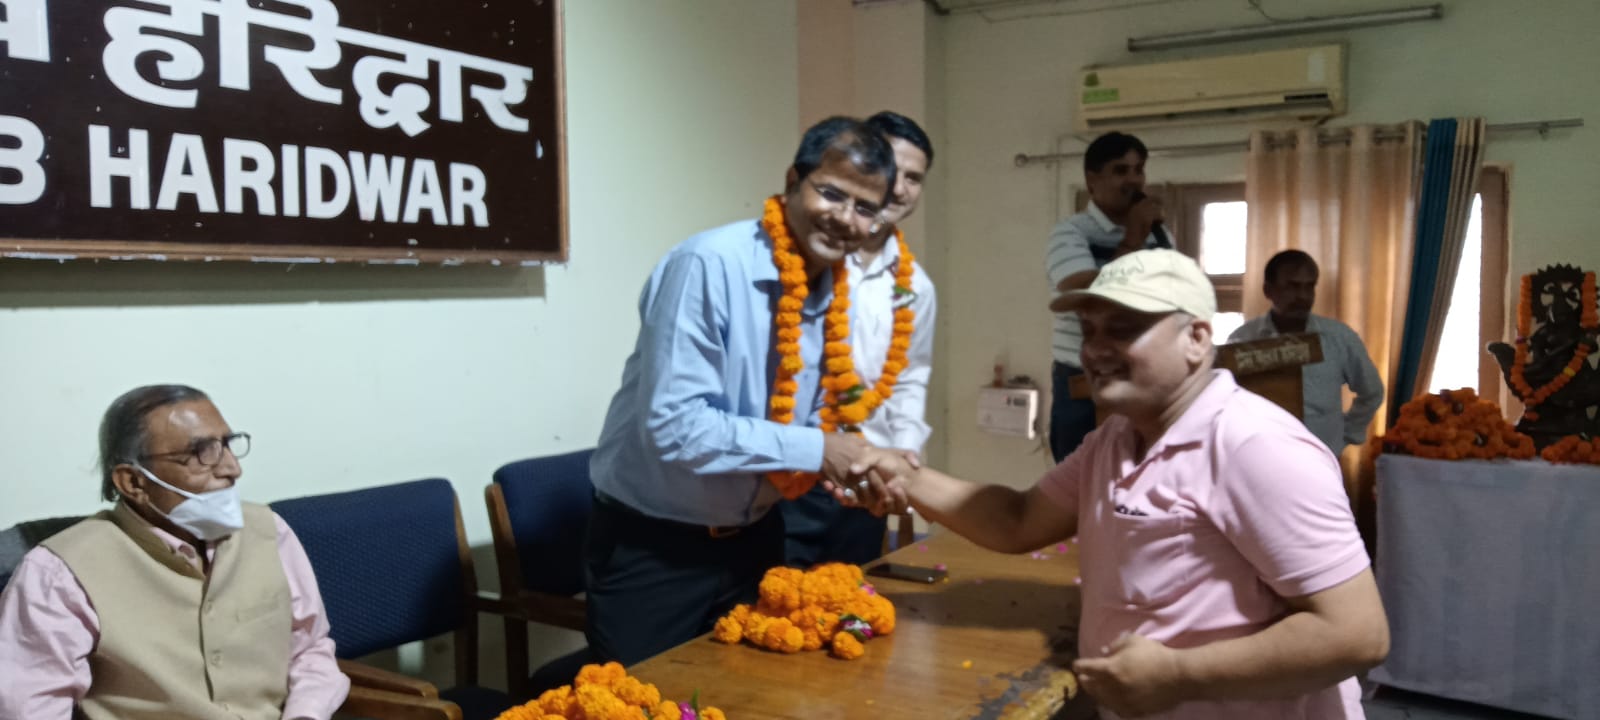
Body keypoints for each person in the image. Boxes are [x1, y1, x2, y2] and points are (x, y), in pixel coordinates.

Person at [844, 250, 1389, 719]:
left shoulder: (1255, 447)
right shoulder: (1116, 439)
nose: (1096, 349)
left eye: (1124, 329)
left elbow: (1356, 633)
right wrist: (903, 475)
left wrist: (1178, 674)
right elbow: (1018, 520)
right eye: (1090, 331)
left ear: (1197, 338)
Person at [585, 116, 900, 666]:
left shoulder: (835, 289)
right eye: (832, 193)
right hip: (656, 551)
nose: (845, 218)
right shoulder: (707, 266)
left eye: (865, 207)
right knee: (652, 699)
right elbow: (676, 427)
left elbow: (802, 420)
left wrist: (844, 470)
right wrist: (819, 450)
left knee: (758, 695)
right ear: (793, 180)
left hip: (758, 539)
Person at [0, 385, 349, 720]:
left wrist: (306, 713)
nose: (232, 468)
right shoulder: (60, 573)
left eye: (227, 445)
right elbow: (29, 709)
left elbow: (309, 650)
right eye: (201, 452)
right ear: (133, 481)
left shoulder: (268, 531)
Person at [784, 111, 938, 568]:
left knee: (850, 596)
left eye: (914, 178)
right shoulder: (806, 260)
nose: (900, 187)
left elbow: (910, 376)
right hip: (789, 473)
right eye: (892, 169)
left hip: (864, 481)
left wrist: (904, 456)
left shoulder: (915, 286)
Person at [1045, 131, 1172, 462]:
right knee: (1078, 479)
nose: (1134, 180)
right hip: (1083, 379)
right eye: (1120, 170)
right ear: (1092, 180)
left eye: (1139, 170)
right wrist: (1132, 238)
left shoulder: (1159, 235)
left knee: (1137, 474)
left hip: (1140, 374)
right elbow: (1087, 297)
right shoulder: (1070, 232)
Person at [1228, 250, 1384, 455]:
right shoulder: (1243, 340)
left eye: (1309, 286)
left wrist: (1345, 435)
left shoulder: (1338, 337)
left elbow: (1372, 391)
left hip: (1322, 456)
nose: (1303, 296)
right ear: (1268, 290)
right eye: (1292, 286)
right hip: (1263, 455)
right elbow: (1229, 400)